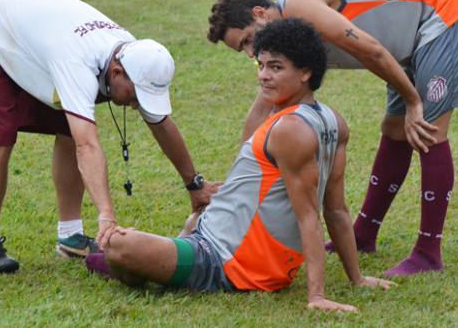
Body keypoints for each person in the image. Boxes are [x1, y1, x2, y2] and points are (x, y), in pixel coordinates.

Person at [206, 0, 458, 276]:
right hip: (412, 34)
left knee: (427, 130)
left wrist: (412, 100)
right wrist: (237, 182)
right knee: (394, 129)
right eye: (242, 50)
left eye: (247, 40)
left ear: (260, 14)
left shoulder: (299, 6)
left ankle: (428, 253)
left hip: (445, 6)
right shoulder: (285, 40)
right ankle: (363, 234)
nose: (251, 53)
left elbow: (372, 50)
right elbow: (263, 107)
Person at [95, 18, 395, 313]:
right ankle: (149, 256)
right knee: (190, 221)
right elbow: (337, 209)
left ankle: (117, 260)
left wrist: (316, 296)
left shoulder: (290, 130)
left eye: (276, 67)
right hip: (224, 243)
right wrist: (356, 278)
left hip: (221, 260)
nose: (264, 75)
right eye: (261, 65)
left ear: (306, 72)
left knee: (119, 247)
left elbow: (310, 216)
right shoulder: (331, 120)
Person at [0, 0, 218, 273]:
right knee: (1, 135)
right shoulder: (77, 63)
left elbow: (161, 124)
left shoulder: (136, 58)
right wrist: (107, 216)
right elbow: (87, 145)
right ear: (115, 73)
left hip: (32, 34)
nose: (138, 105)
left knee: (67, 127)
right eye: (136, 96)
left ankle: (70, 236)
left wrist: (194, 184)